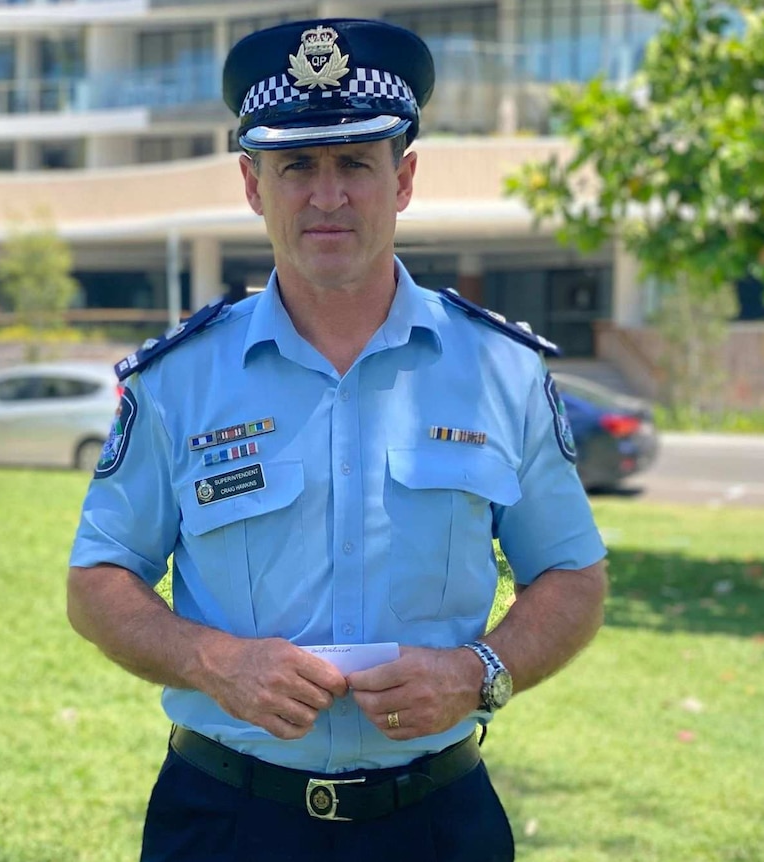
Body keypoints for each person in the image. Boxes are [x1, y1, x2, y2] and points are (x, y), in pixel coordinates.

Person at [67, 17, 608, 862]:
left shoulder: (499, 371)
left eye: (356, 162)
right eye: (297, 167)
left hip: (437, 822)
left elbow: (573, 574)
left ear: (404, 178)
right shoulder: (178, 380)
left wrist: (477, 672)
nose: (328, 196)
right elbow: (98, 579)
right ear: (253, 184)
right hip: (226, 820)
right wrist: (215, 662)